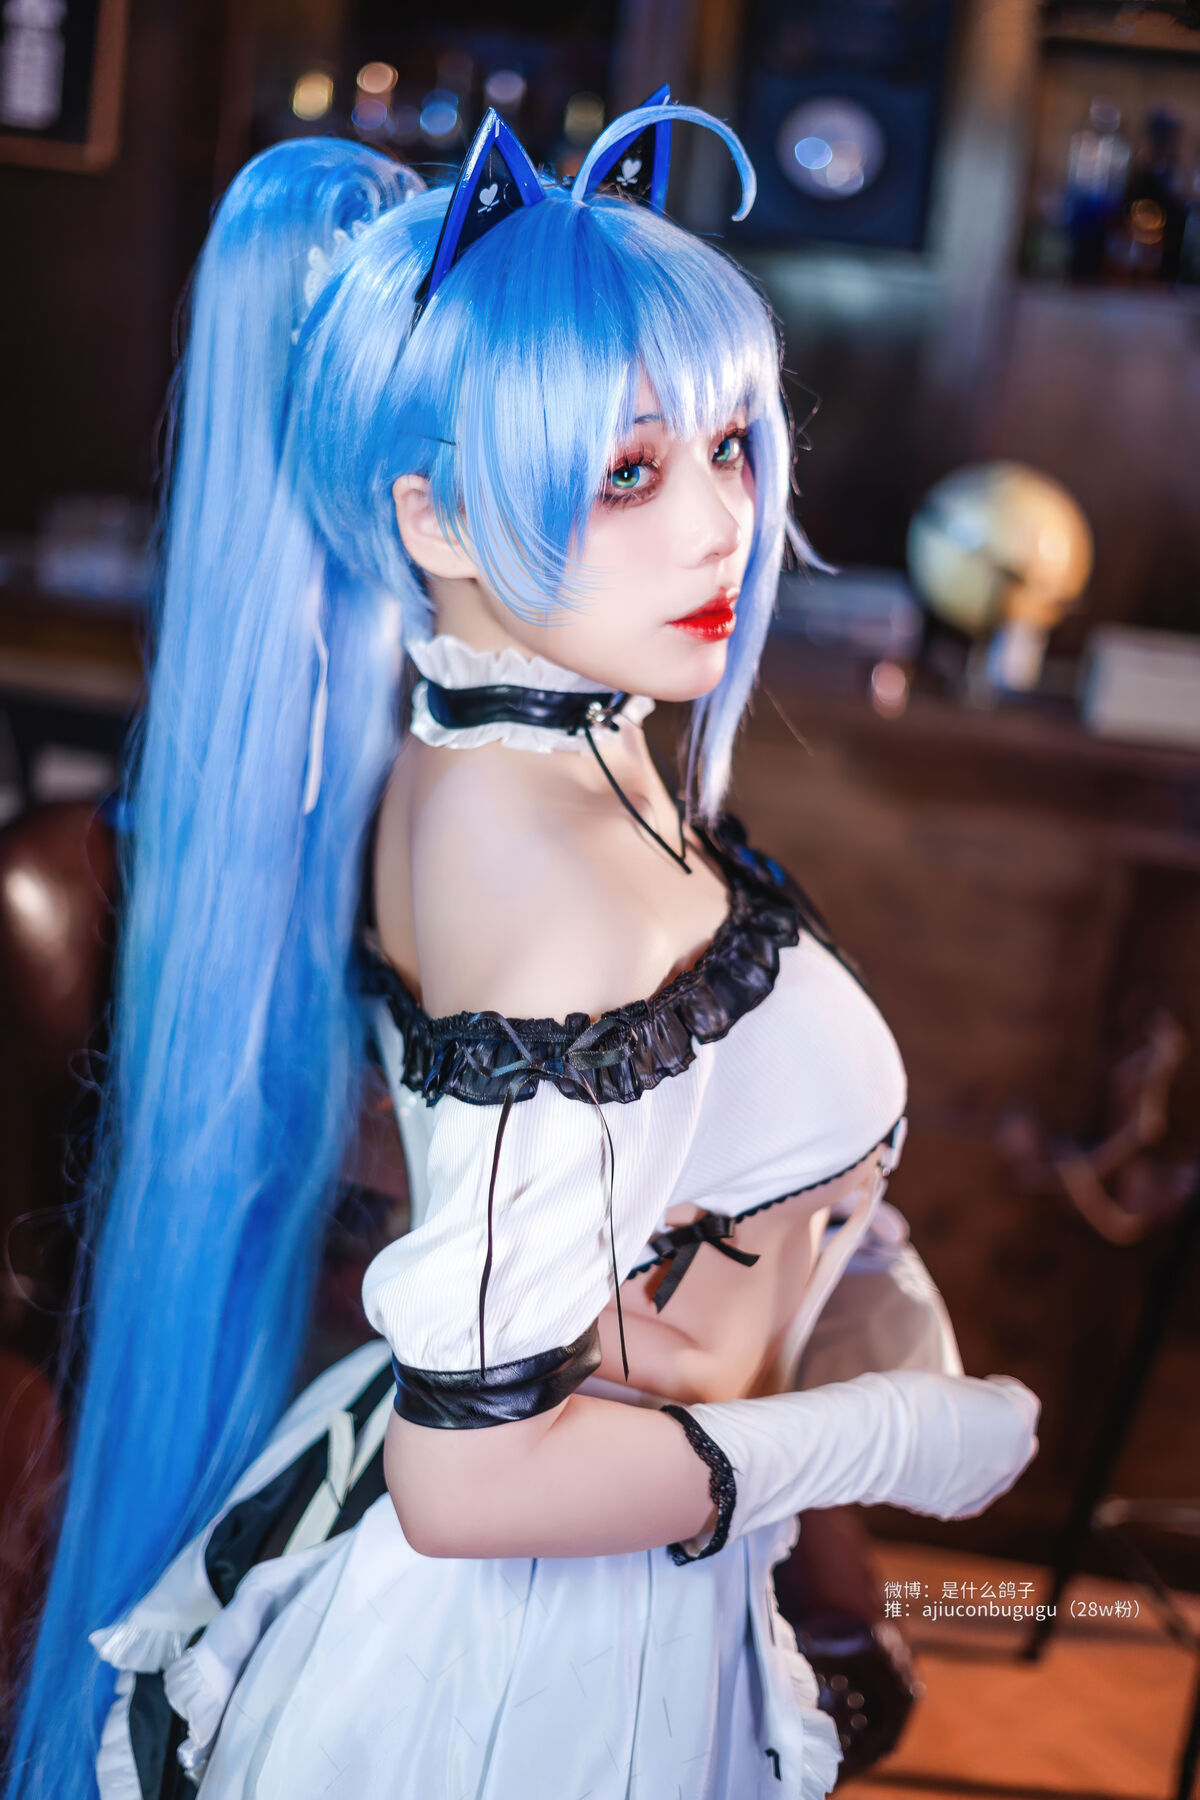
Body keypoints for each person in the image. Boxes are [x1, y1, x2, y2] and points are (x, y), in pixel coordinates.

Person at [3, 100, 1039, 1799]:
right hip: (538, 1671)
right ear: (436, 524)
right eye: (626, 471)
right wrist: (897, 1434)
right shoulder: (549, 877)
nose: (717, 525)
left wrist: (847, 1255)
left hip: (610, 1611)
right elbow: (468, 1481)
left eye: (729, 446)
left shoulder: (527, 744)